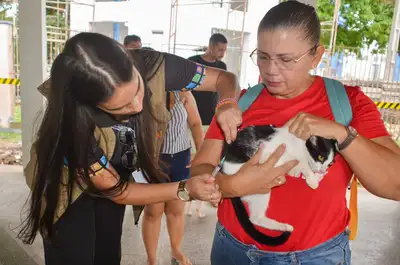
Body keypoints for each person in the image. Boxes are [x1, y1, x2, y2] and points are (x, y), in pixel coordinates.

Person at [16, 32, 257, 265]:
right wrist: (185, 188)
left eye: (138, 88)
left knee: (108, 255)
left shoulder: (156, 66)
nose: (138, 105)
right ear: (90, 105)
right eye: (122, 107)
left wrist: (226, 103)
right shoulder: (71, 125)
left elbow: (224, 79)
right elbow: (119, 192)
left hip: (115, 170)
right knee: (74, 255)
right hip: (67, 186)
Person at [191, 1, 400, 265]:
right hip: (231, 249)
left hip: (315, 256)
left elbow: (396, 185)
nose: (270, 70)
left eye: (286, 60)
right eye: (263, 57)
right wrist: (227, 185)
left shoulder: (348, 103)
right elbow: (200, 167)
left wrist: (341, 134)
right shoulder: (242, 104)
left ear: (316, 56)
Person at [142, 91, 203, 265]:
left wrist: (202, 157)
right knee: (154, 212)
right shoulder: (147, 90)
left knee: (176, 210)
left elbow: (196, 123)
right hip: (154, 159)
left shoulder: (184, 93)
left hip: (181, 160)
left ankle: (176, 251)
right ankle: (152, 259)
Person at [187, 33, 228, 217]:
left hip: (211, 122)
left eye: (224, 50)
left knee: (207, 163)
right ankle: (187, 198)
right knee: (191, 161)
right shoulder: (192, 62)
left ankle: (201, 204)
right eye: (220, 49)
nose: (222, 53)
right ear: (210, 46)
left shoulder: (222, 67)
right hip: (190, 120)